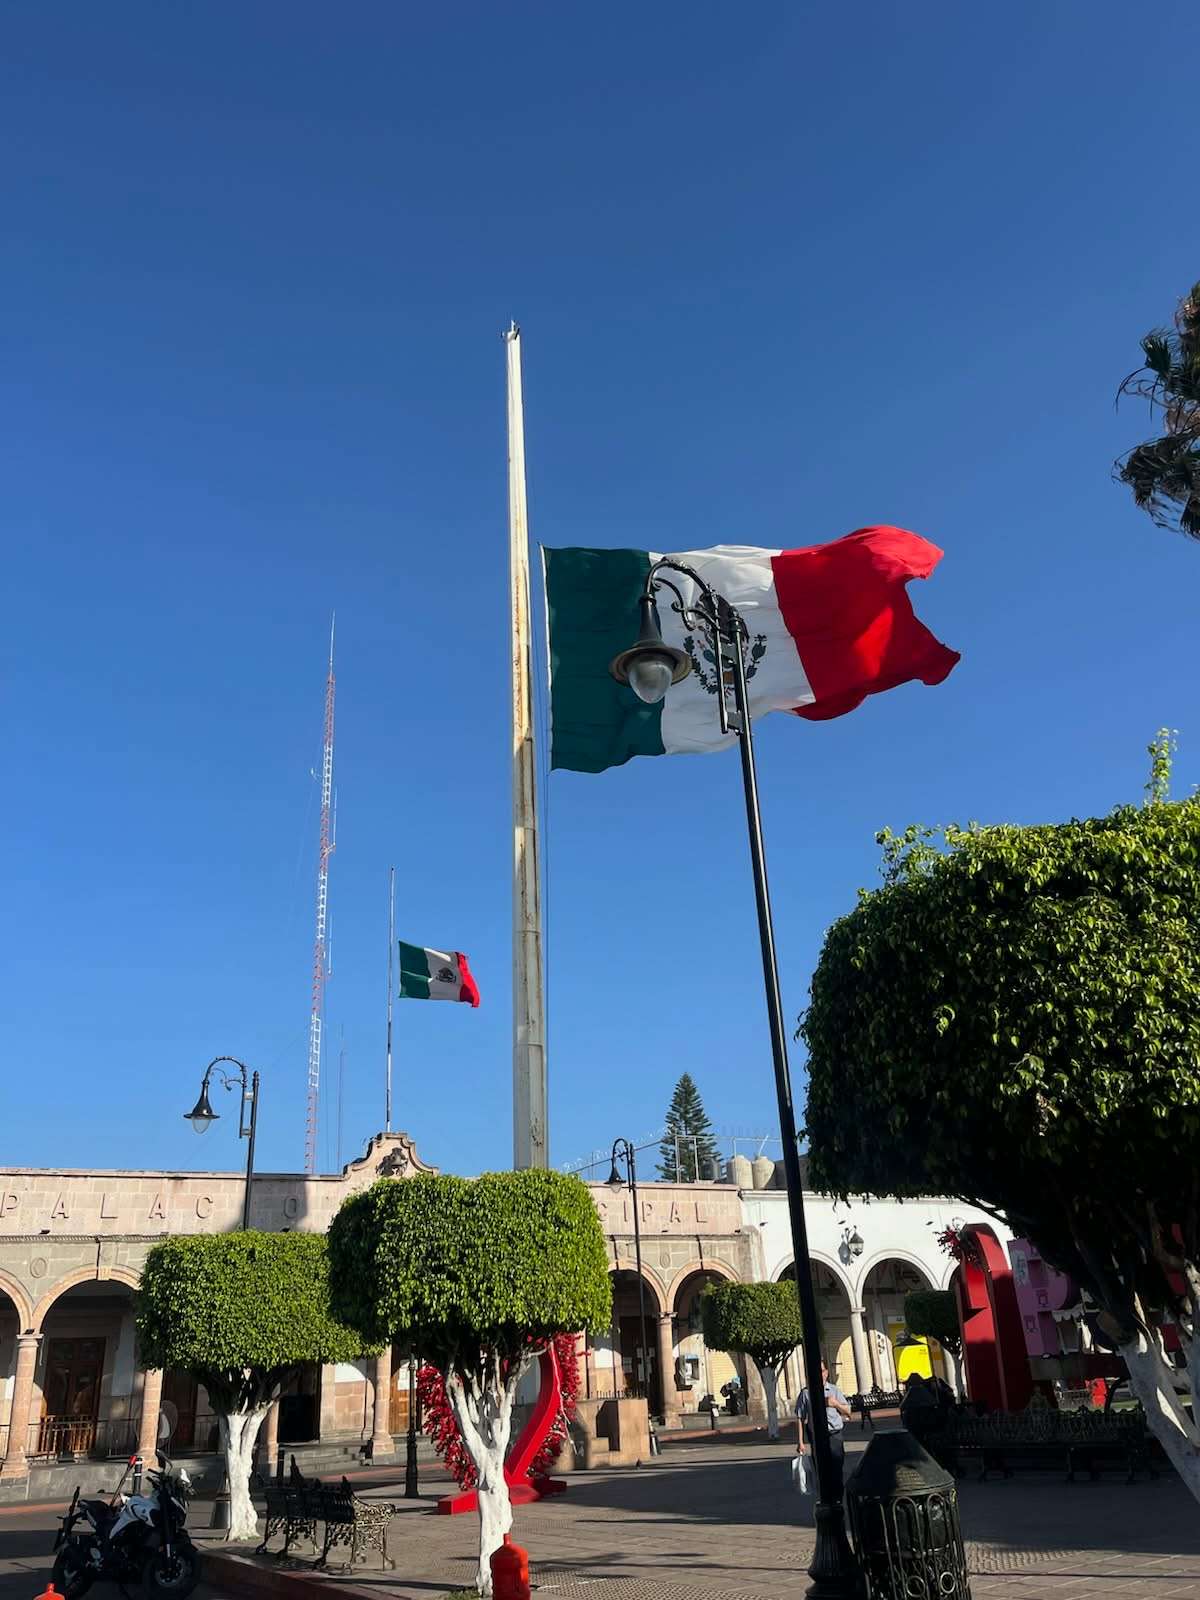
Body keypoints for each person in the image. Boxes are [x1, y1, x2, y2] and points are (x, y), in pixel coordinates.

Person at [795, 1361, 851, 1499]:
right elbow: (800, 1418)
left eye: (821, 1371)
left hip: (834, 1435)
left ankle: (837, 1498)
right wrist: (800, 1442)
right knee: (822, 1470)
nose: (819, 1374)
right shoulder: (806, 1393)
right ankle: (826, 1498)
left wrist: (835, 1403)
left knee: (837, 1469)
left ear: (826, 1373)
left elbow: (848, 1412)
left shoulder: (834, 1390)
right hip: (817, 1437)